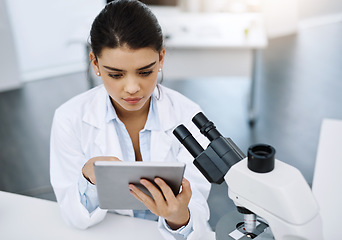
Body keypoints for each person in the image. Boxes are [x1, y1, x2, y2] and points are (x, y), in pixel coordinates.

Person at [50, 0, 211, 239]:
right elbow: (74, 217)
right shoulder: (69, 118)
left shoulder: (188, 116)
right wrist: (88, 180)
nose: (133, 88)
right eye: (115, 74)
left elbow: (197, 208)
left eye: (145, 72)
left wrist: (179, 218)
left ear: (161, 58)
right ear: (95, 63)